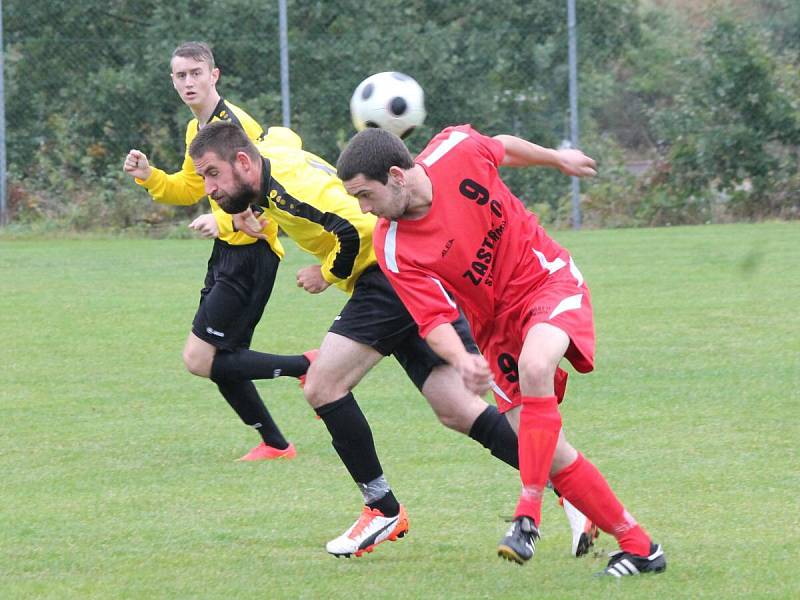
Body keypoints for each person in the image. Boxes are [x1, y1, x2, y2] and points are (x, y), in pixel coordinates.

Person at [186, 120, 596, 559]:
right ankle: (570, 488)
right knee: (456, 408)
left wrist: (326, 275)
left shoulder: (290, 186)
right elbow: (283, 140)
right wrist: (248, 213)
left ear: (243, 161)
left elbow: (355, 229)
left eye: (212, 173)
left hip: (386, 276)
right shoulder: (272, 161)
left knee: (324, 384)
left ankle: (381, 508)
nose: (208, 186)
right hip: (396, 278)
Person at [336, 125, 667, 576]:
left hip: (545, 280)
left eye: (365, 195)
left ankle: (527, 515)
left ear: (396, 175)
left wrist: (557, 157)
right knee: (551, 454)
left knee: (535, 366)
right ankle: (640, 547)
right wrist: (462, 358)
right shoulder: (390, 244)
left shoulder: (456, 150)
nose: (363, 208)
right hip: (494, 329)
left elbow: (503, 146)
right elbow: (432, 319)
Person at [122, 42, 313, 462]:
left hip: (252, 254)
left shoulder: (236, 125)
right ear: (172, 81)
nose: (188, 81)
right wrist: (150, 176)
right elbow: (191, 188)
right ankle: (276, 445)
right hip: (228, 253)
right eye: (180, 75)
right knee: (223, 357)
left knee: (199, 358)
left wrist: (228, 218)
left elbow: (268, 185)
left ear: (214, 75)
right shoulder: (199, 130)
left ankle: (306, 366)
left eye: (195, 73)